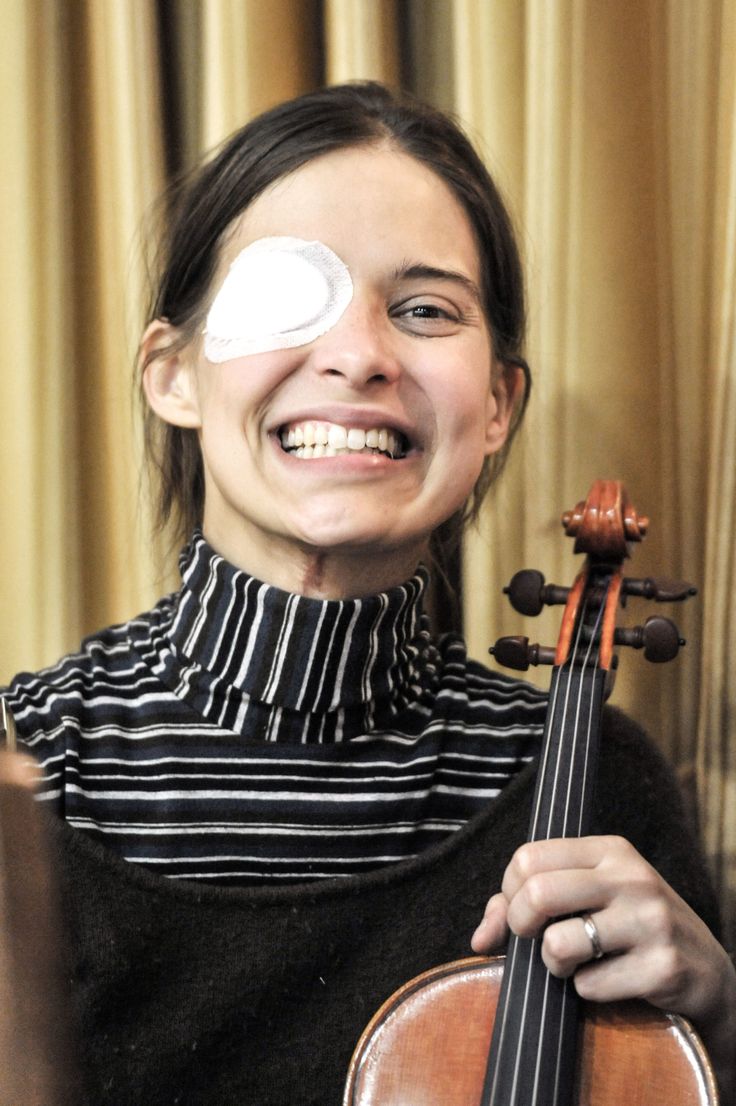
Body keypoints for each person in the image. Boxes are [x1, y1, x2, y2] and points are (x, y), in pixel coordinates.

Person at [3, 82, 734, 1105]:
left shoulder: (596, 788)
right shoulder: (32, 771)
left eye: (425, 309)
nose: (358, 354)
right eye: (289, 297)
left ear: (494, 405)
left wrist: (720, 1025)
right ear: (173, 373)